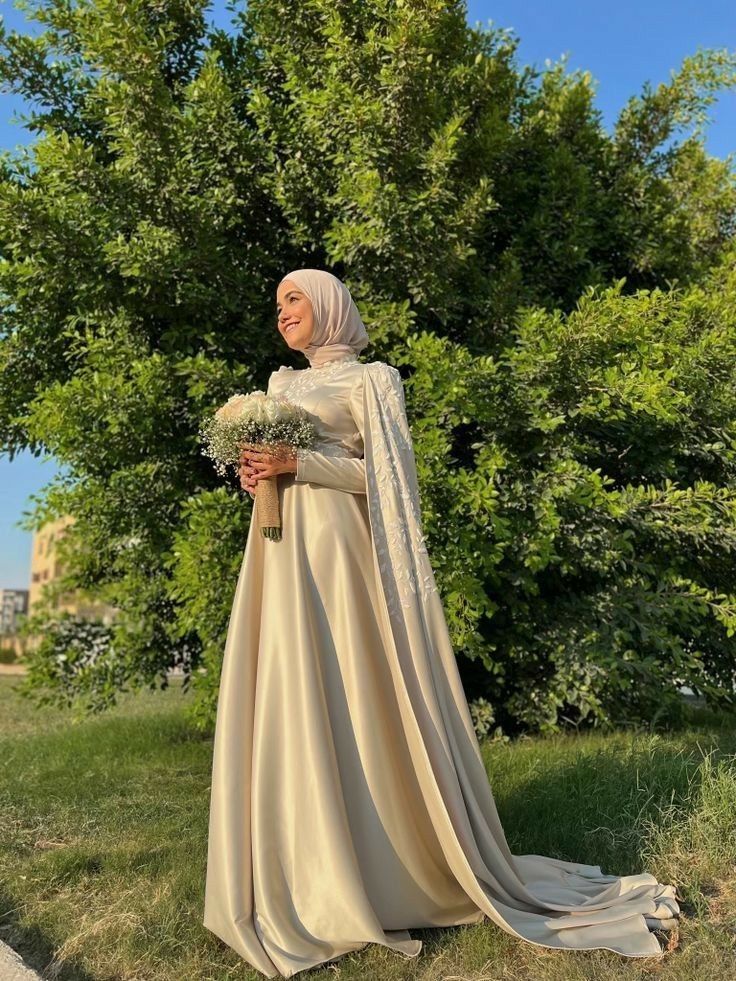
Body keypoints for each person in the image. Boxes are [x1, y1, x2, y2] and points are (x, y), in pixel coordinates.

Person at [202, 268, 681, 979]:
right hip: (281, 562)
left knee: (355, 700)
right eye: (276, 304)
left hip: (341, 565)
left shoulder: (373, 381)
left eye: (294, 299)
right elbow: (280, 467)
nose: (282, 313)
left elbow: (390, 482)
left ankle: (385, 861)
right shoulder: (275, 387)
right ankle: (302, 869)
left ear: (329, 304)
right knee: (290, 697)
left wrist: (303, 461)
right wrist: (258, 472)